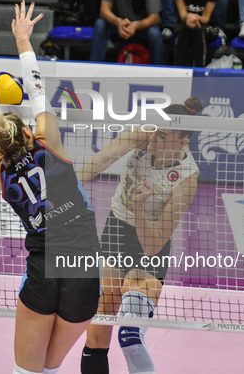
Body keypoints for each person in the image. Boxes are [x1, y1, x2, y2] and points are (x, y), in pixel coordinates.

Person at [0, 1, 100, 374]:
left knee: (28, 370)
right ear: (27, 131)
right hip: (84, 267)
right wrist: (23, 41)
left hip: (44, 266)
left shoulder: (1, 167)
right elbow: (38, 90)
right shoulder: (48, 141)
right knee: (53, 368)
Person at [78, 98, 202, 374]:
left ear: (183, 141)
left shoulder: (186, 177)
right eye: (155, 132)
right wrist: (65, 188)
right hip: (116, 232)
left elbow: (154, 244)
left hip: (151, 244)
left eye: (164, 136)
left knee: (130, 337)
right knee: (97, 335)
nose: (154, 140)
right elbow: (97, 162)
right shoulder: (144, 135)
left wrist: (139, 207)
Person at [89, 0, 164, 65]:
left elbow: (154, 17)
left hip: (142, 29)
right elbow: (104, 10)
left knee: (154, 33)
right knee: (100, 24)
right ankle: (95, 68)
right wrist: (119, 22)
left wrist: (136, 25)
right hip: (119, 27)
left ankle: (157, 72)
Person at [173, 0, 219, 67]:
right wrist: (189, 17)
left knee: (197, 30)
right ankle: (179, 68)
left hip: (208, 26)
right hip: (185, 24)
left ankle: (199, 69)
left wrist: (194, 18)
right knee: (185, 28)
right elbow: (183, 15)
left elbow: (206, 18)